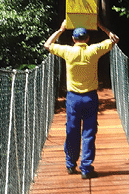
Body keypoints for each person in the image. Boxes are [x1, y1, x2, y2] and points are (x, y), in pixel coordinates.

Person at [44, 19, 120, 179]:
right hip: (90, 98)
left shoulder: (67, 51)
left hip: (72, 99)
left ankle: (70, 164)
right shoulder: (93, 50)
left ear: (73, 39)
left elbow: (47, 45)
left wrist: (61, 29)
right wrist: (100, 25)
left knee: (72, 131)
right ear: (87, 39)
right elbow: (115, 39)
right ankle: (86, 168)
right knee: (89, 132)